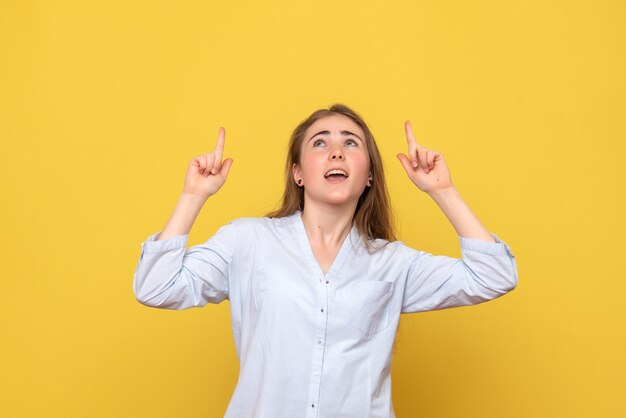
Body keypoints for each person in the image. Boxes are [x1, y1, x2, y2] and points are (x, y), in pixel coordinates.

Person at [133, 103, 518, 418]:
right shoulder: (247, 241)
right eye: (320, 143)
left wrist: (443, 190)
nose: (336, 151)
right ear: (298, 173)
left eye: (351, 143)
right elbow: (156, 287)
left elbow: (495, 275)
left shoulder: (393, 264)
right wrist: (193, 195)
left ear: (368, 175)